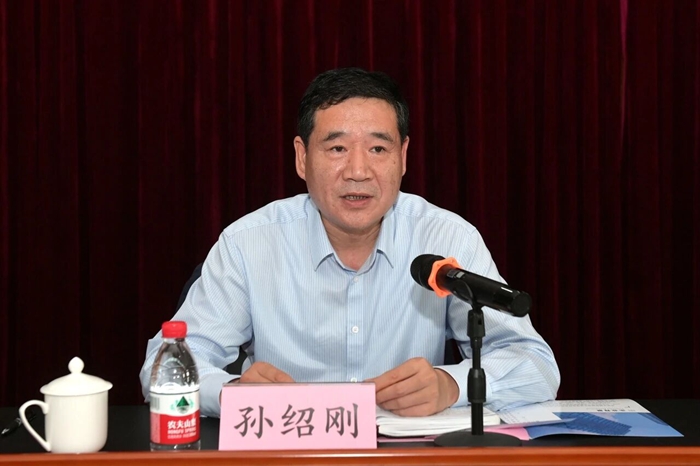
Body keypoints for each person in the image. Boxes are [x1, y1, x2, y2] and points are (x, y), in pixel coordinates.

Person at [139, 67, 560, 418]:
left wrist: (451, 385)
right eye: (337, 147)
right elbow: (163, 369)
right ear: (302, 157)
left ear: (403, 156)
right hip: (291, 453)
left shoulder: (447, 237)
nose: (358, 171)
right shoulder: (249, 244)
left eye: (378, 148)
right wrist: (233, 393)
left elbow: (537, 366)